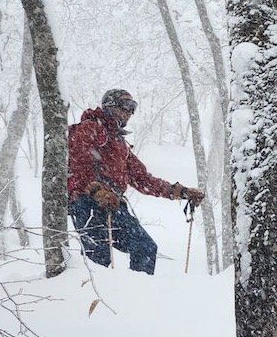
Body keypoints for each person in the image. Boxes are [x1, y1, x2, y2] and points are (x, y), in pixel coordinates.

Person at [67, 88, 205, 274]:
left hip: (113, 205)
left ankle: (138, 295)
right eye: (125, 106)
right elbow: (79, 165)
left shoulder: (119, 143)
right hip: (86, 204)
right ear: (110, 106)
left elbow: (142, 179)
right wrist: (96, 191)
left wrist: (179, 191)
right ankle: (96, 299)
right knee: (98, 260)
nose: (129, 113)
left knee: (145, 247)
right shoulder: (91, 129)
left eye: (132, 108)